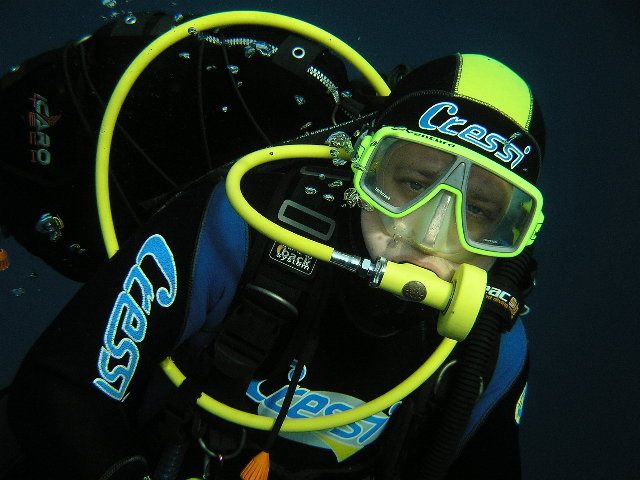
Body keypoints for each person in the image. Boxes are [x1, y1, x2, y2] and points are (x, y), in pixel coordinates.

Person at [1, 10, 545, 480]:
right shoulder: (244, 225)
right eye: (411, 183)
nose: (430, 235)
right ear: (362, 165)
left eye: (478, 211)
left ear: (515, 233)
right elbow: (59, 388)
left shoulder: (492, 345)